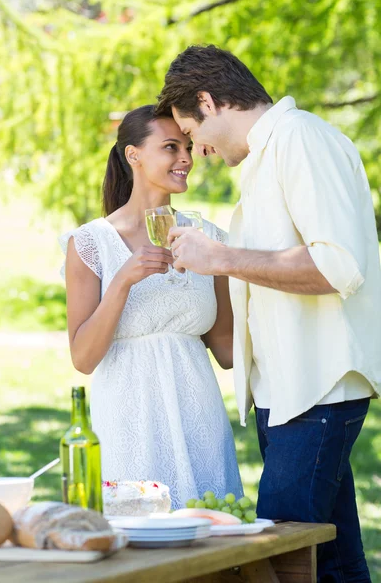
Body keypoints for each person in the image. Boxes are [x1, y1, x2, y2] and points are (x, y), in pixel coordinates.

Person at [156, 45, 381, 581]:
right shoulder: (267, 158)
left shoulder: (301, 140)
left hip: (317, 393)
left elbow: (337, 266)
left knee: (280, 561)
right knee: (331, 562)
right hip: (292, 397)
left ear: (208, 101)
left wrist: (222, 258)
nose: (197, 151)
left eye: (192, 133)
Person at [59, 104, 243, 509]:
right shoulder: (90, 244)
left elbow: (227, 348)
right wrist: (123, 279)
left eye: (189, 147)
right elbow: (84, 357)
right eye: (171, 147)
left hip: (201, 421)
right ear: (134, 155)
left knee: (214, 545)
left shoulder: (209, 238)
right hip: (129, 424)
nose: (186, 159)